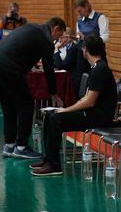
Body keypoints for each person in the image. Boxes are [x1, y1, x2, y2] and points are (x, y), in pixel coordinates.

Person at [31, 35, 117, 176]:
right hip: (93, 112)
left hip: (100, 116)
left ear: (85, 50)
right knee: (50, 115)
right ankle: (48, 160)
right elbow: (87, 99)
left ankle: (54, 166)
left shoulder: (100, 69)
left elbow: (89, 101)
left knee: (56, 118)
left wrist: (65, 110)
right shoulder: (95, 67)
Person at [0, 17, 66, 159]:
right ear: (56, 29)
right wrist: (53, 93)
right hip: (7, 66)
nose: (56, 39)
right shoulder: (46, 39)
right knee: (27, 105)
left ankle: (9, 144)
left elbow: (22, 49)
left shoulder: (32, 27)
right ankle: (21, 147)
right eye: (58, 36)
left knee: (8, 106)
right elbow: (48, 68)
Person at [74, 0, 110, 85]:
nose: (80, 14)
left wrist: (86, 38)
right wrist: (76, 39)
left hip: (96, 54)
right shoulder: (79, 21)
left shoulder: (100, 17)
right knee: (82, 81)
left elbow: (106, 37)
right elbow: (79, 36)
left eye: (80, 11)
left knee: (98, 80)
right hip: (83, 54)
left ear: (86, 6)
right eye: (78, 12)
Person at [53, 28, 81, 96]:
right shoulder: (70, 47)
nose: (59, 40)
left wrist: (56, 49)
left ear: (68, 38)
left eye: (61, 37)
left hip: (75, 83)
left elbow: (61, 66)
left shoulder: (74, 48)